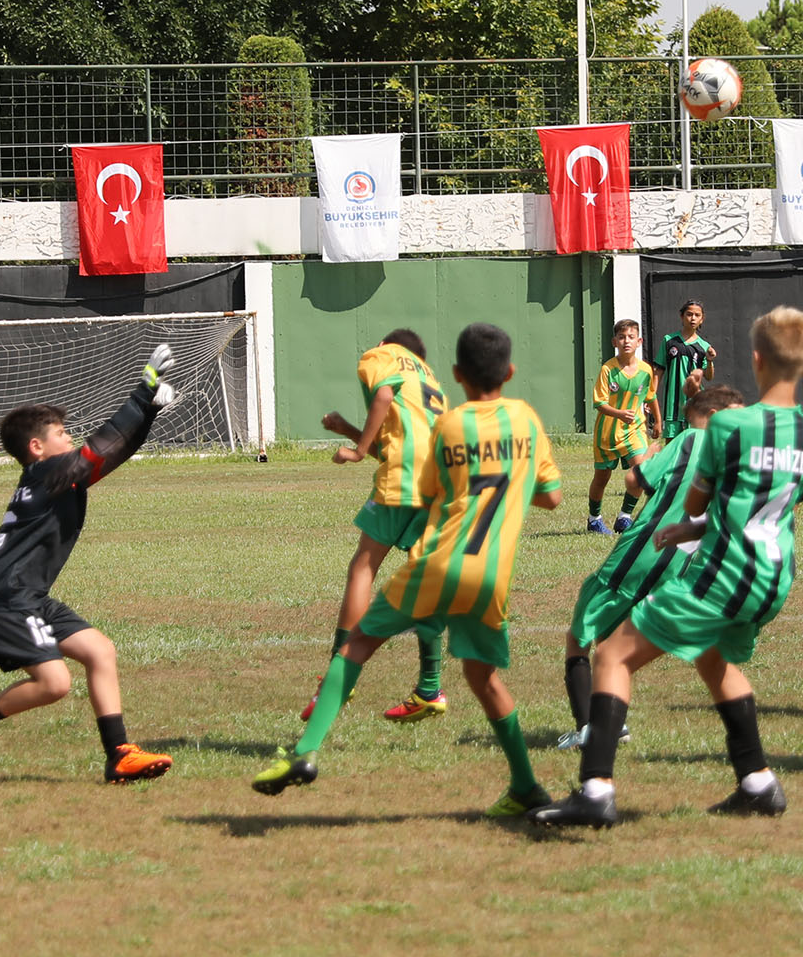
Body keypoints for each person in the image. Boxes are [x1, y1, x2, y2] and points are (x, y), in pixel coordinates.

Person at [255, 323, 564, 815]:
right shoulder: (526, 419)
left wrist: (360, 446)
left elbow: (429, 489)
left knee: (356, 645)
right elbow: (551, 498)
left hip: (441, 563)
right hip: (493, 578)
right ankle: (526, 785)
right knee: (485, 681)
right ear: (510, 371)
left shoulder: (451, 426)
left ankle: (305, 751)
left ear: (457, 375)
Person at [533, 308, 803, 829]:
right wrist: (690, 531)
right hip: (774, 577)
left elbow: (697, 499)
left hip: (725, 573)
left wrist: (684, 525)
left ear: (756, 360)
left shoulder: (727, 425)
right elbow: (772, 506)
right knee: (715, 661)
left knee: (614, 655)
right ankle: (757, 783)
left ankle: (595, 790)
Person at [0, 346, 180, 787]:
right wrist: (142, 389)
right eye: (61, 433)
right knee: (54, 683)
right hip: (5, 599)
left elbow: (113, 452)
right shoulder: (44, 474)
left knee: (100, 651)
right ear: (37, 447)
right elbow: (100, 446)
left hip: (27, 595)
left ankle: (119, 755)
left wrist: (147, 413)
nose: (70, 438)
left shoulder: (57, 477)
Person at [555, 384, 744, 750]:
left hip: (643, 553)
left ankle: (588, 730)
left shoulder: (693, 439)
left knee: (579, 636)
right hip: (682, 565)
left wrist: (651, 454)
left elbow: (634, 481)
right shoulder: (738, 454)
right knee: (614, 645)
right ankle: (613, 723)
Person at [314, 330, 452, 724]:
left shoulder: (382, 356)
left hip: (403, 479)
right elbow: (393, 442)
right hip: (438, 482)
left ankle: (340, 676)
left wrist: (357, 451)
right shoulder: (430, 379)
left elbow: (383, 397)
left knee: (363, 567)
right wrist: (349, 430)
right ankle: (430, 688)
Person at [586, 319, 659, 534]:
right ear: (614, 341)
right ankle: (594, 519)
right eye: (621, 337)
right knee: (602, 479)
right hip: (607, 434)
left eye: (630, 337)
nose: (626, 341)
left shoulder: (646, 370)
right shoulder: (608, 369)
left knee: (640, 472)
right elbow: (599, 403)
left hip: (634, 431)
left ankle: (624, 517)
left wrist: (658, 421)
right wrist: (619, 413)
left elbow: (651, 396)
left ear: (639, 341)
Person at [654, 301, 717, 441]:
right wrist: (650, 397)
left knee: (693, 446)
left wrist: (710, 360)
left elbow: (708, 376)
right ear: (681, 316)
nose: (693, 318)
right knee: (672, 448)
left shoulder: (704, 346)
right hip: (672, 406)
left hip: (694, 404)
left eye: (697, 315)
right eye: (689, 314)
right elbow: (658, 371)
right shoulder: (669, 340)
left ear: (702, 319)